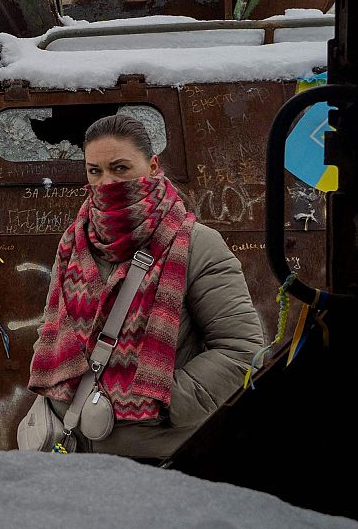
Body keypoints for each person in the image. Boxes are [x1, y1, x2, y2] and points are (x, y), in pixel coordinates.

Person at [24, 113, 265, 458]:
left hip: (158, 461)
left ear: (152, 166)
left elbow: (242, 350)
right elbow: (52, 329)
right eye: (95, 171)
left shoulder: (197, 245)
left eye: (120, 168)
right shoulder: (74, 242)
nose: (106, 182)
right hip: (74, 452)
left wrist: (160, 398)